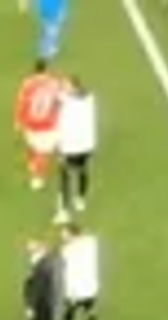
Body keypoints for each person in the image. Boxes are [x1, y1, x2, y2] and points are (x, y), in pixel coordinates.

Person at [14, 60, 64, 191]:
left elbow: (21, 102)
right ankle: (37, 178)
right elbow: (61, 101)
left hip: (30, 123)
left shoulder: (27, 83)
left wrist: (18, 120)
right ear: (46, 70)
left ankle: (32, 162)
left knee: (33, 144)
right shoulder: (55, 83)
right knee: (44, 153)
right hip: (47, 124)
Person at [58, 222, 102, 320]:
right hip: (90, 288)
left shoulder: (67, 251)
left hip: (77, 290)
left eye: (65, 233)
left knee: (70, 311)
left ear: (72, 235)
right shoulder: (91, 242)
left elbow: (69, 273)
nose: (62, 236)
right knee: (90, 314)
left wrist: (70, 291)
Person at [55, 76, 96, 220]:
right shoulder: (90, 99)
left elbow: (58, 97)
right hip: (86, 145)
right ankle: (80, 199)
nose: (65, 88)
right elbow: (81, 93)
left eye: (67, 86)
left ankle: (64, 211)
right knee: (83, 171)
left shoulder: (66, 102)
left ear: (73, 88)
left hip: (70, 147)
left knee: (64, 177)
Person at [22, 239, 65, 320]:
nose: (28, 249)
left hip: (40, 303)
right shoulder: (42, 262)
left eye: (31, 247)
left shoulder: (41, 265)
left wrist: (31, 307)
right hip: (46, 302)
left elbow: (38, 289)